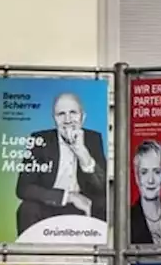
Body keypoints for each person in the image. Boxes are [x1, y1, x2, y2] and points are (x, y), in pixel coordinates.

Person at [14, 92, 108, 237]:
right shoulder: (39, 139)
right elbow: (23, 188)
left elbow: (102, 187)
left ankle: (97, 256)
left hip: (84, 206)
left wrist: (83, 153)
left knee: (103, 205)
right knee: (27, 208)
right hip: (50, 204)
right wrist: (68, 196)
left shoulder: (93, 139)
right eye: (61, 114)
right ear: (54, 119)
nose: (68, 119)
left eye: (73, 113)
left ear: (83, 117)